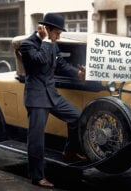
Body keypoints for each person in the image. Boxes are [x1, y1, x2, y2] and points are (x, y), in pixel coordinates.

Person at [19, 12, 86, 188]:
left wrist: (77, 73)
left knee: (77, 117)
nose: (58, 37)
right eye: (56, 33)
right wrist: (46, 41)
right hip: (36, 97)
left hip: (51, 94)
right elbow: (40, 61)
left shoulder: (53, 45)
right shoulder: (27, 45)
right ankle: (37, 176)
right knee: (36, 139)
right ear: (46, 29)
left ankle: (70, 152)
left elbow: (61, 65)